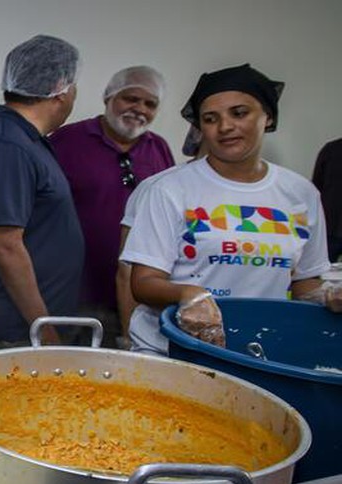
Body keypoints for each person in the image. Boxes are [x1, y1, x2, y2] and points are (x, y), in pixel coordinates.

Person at [121, 64, 340, 355]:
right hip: (174, 350)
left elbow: (303, 282)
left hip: (259, 351)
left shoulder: (300, 194)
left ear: (268, 116)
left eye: (239, 113)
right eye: (210, 119)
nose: (225, 127)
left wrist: (327, 295)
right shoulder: (170, 189)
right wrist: (190, 295)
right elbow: (143, 283)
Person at [0, 35, 84, 348]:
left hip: (30, 327)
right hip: (15, 332)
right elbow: (4, 245)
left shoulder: (26, 140)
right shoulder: (7, 146)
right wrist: (45, 329)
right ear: (60, 88)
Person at [50, 66, 175, 348]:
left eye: (150, 103)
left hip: (137, 299)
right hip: (73, 297)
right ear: (108, 97)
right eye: (130, 98)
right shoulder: (66, 141)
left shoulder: (159, 149)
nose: (139, 109)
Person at [312, 138, 342, 262]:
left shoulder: (331, 149)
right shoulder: (331, 149)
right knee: (319, 273)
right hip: (329, 228)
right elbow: (315, 190)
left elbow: (316, 187)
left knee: (320, 274)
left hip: (329, 226)